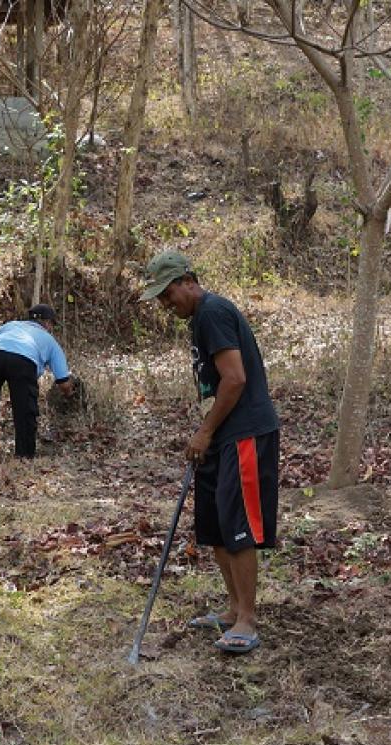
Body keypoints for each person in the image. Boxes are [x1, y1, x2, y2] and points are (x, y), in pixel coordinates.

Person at [141, 250, 280, 655]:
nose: (166, 305)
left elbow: (235, 379)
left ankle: (247, 621)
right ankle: (233, 608)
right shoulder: (200, 318)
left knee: (238, 527)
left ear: (188, 280)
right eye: (161, 299)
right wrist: (206, 432)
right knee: (217, 525)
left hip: (245, 433)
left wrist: (204, 431)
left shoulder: (213, 312)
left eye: (168, 295)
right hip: (223, 435)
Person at [0, 304, 75, 458]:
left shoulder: (9, 326)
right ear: (47, 323)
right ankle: (24, 455)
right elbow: (63, 381)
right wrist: (69, 393)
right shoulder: (50, 340)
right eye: (52, 324)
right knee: (24, 408)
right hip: (23, 361)